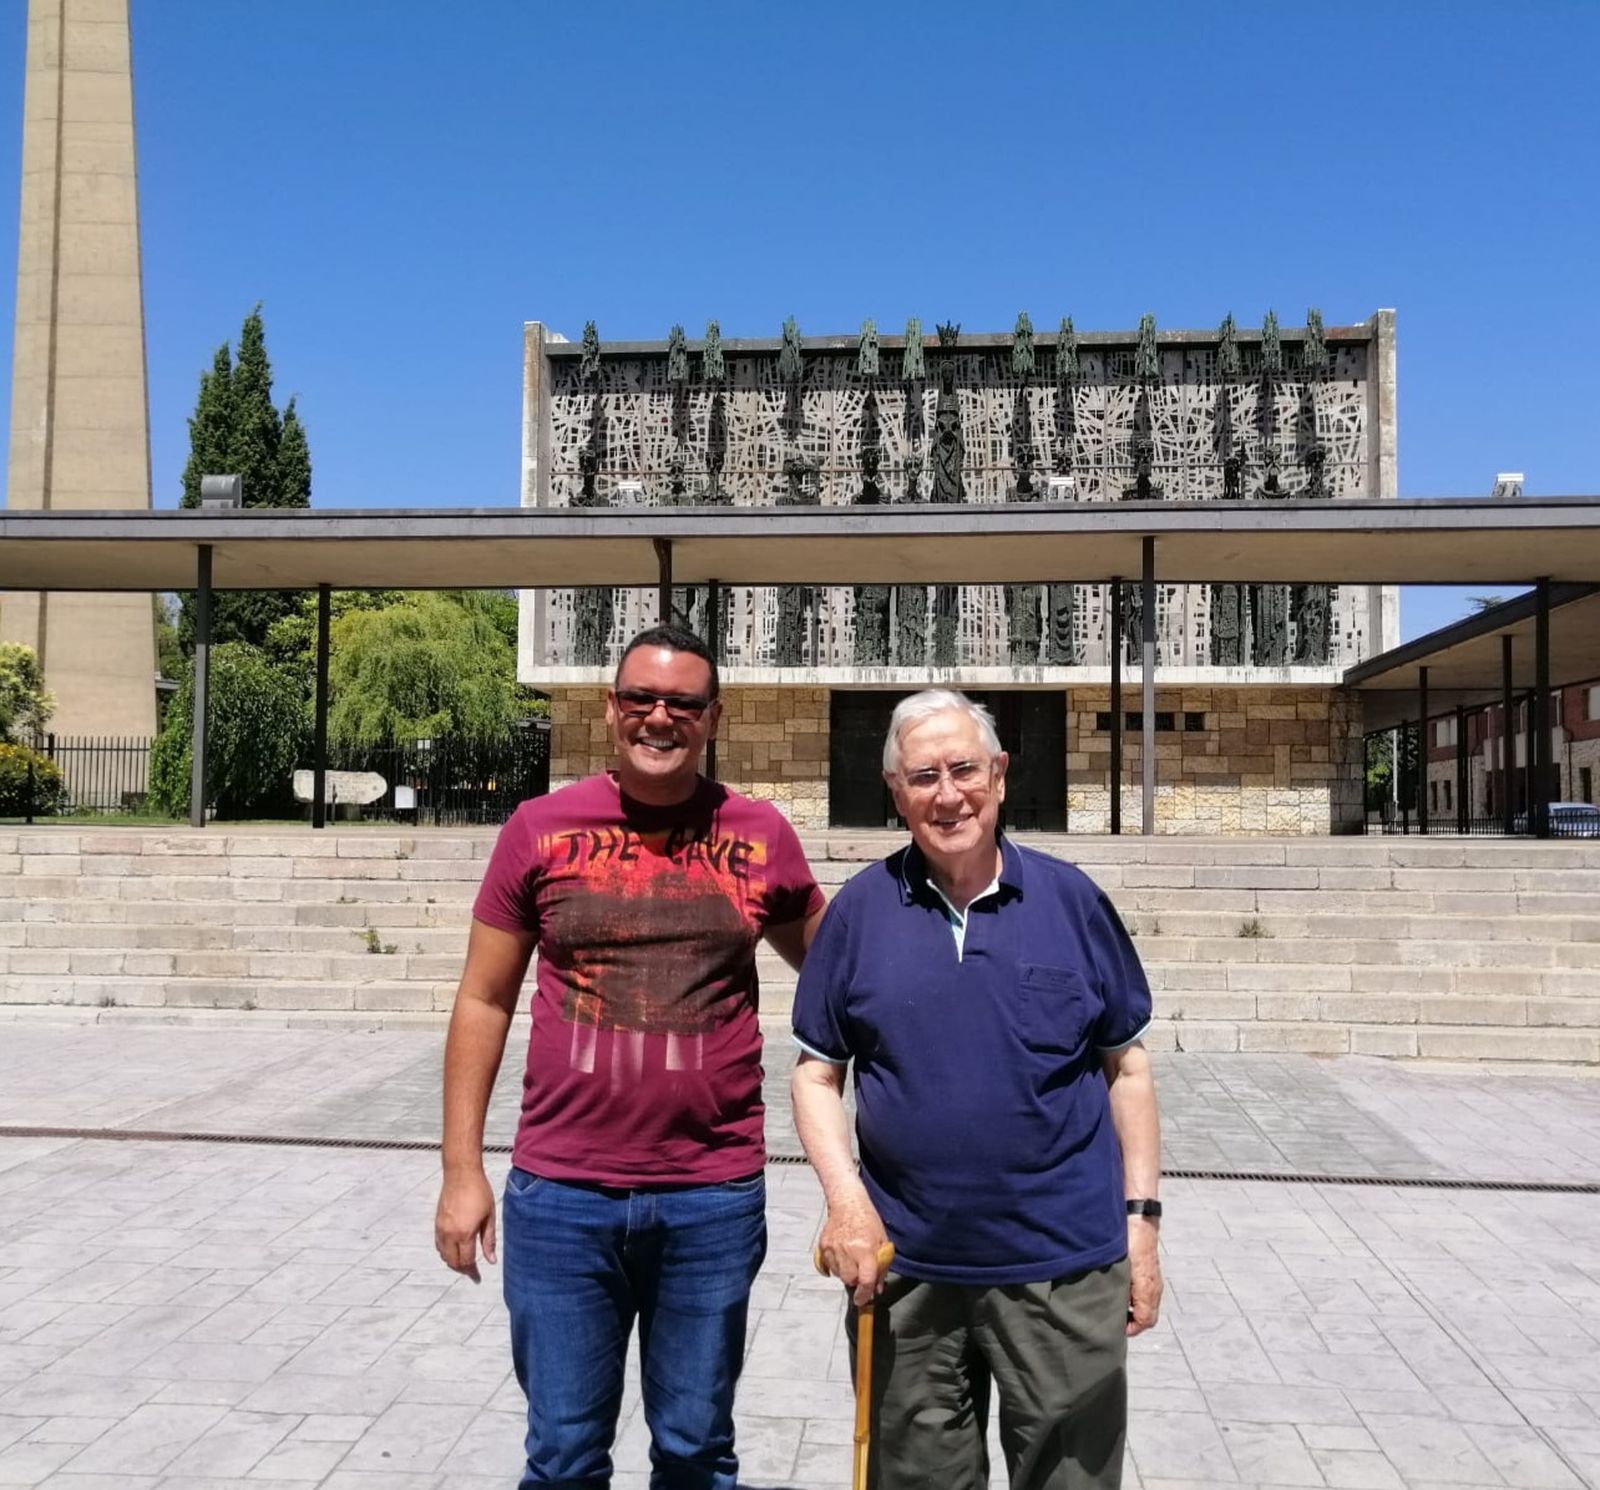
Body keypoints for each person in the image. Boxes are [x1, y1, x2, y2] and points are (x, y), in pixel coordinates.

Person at [436, 623, 826, 1490]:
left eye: (682, 703)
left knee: (695, 1450)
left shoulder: (760, 836)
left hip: (711, 1198)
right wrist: (463, 1172)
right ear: (612, 710)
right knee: (565, 1452)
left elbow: (843, 971)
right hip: (562, 1197)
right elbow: (483, 998)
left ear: (712, 717)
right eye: (642, 699)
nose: (661, 717)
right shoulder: (540, 828)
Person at [790, 689, 1162, 1490]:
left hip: (1061, 1269)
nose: (948, 794)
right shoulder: (858, 912)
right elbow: (818, 1074)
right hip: (908, 1276)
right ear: (896, 792)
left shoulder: (1073, 902)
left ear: (998, 775)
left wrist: (1142, 1227)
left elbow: (1126, 1069)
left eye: (964, 769)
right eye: (923, 776)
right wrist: (845, 1203)